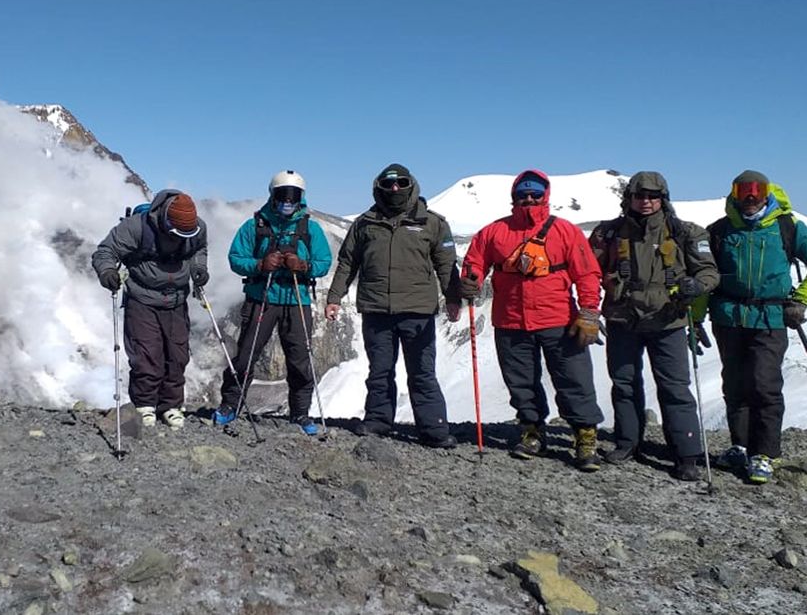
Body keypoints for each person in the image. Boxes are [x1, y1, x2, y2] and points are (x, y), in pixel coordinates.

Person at [454, 169, 605, 471]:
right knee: (521, 382)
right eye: (523, 194)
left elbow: (587, 273)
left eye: (535, 194)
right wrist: (471, 279)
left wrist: (589, 312)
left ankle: (585, 436)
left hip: (559, 319)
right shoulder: (493, 232)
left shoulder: (565, 231)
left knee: (574, 380)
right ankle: (532, 431)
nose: (529, 199)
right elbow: (475, 261)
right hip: (511, 321)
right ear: (514, 197)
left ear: (545, 195)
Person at [702, 170, 807, 484]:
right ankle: (740, 446)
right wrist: (695, 318)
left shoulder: (787, 227)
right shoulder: (719, 230)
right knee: (734, 384)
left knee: (764, 383)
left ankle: (765, 453)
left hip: (771, 318)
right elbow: (706, 276)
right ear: (734, 193)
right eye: (743, 190)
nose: (750, 196)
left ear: (767, 193)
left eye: (757, 190)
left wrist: (800, 300)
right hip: (729, 318)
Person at [588, 172, 719, 481]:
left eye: (653, 196)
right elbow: (588, 269)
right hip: (623, 318)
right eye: (639, 195)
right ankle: (627, 443)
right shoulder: (607, 234)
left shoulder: (686, 233)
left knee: (674, 387)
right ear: (629, 198)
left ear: (663, 199)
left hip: (668, 319)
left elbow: (709, 272)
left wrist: (696, 285)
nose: (645, 201)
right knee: (624, 383)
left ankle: (686, 454)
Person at [325, 164, 459, 448]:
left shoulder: (432, 223)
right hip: (377, 310)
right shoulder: (364, 224)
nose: (395, 188)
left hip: (417, 311)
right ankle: (378, 421)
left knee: (422, 371)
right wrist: (335, 297)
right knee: (380, 371)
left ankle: (434, 428)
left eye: (401, 183)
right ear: (379, 187)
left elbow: (446, 265)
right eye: (388, 184)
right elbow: (347, 263)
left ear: (411, 185)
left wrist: (453, 298)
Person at [213, 170, 333, 435]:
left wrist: (303, 266)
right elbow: (236, 258)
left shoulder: (310, 228)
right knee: (246, 355)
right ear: (273, 195)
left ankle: (300, 412)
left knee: (299, 359)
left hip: (295, 299)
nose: (288, 201)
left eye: (293, 196)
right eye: (283, 195)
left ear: (301, 197)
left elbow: (324, 262)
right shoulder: (254, 226)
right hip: (263, 297)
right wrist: (260, 265)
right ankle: (231, 405)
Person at [92, 190, 208, 430]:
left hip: (176, 300)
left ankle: (171, 406)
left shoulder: (197, 229)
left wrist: (199, 268)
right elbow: (106, 251)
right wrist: (107, 271)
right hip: (142, 299)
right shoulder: (136, 228)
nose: (181, 238)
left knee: (177, 355)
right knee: (146, 354)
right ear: (166, 221)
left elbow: (199, 250)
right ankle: (145, 405)